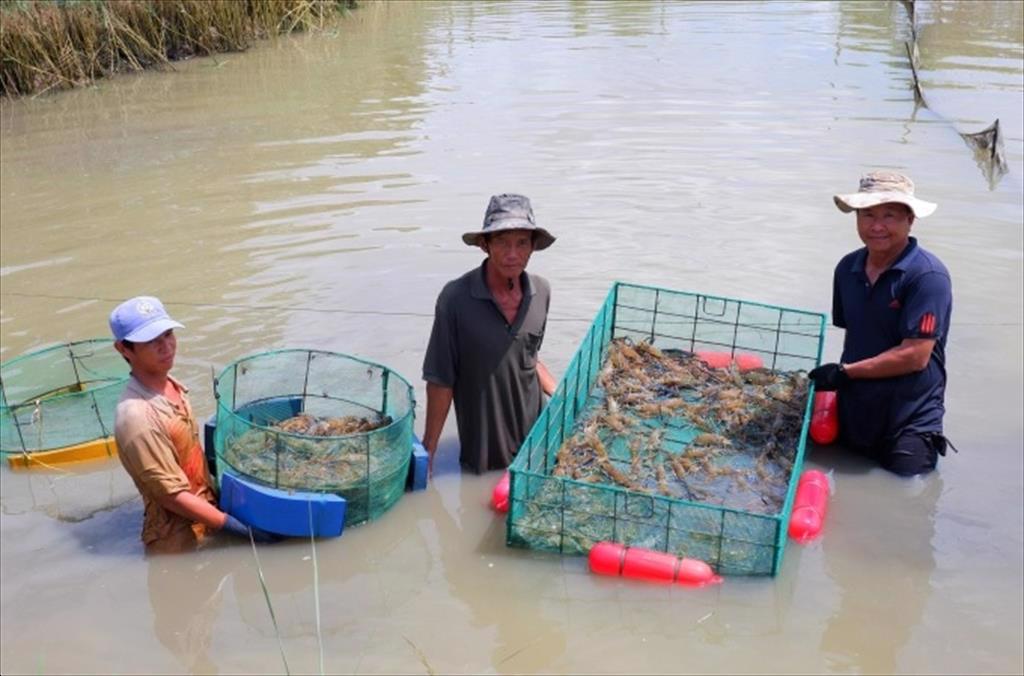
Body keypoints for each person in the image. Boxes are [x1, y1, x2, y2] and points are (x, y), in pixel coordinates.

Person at [809, 171, 954, 476]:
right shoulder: (847, 267)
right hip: (857, 409)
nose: (876, 226)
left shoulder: (927, 276)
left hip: (910, 418)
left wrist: (843, 373)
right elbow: (855, 333)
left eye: (889, 216)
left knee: (907, 494)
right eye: (867, 215)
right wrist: (836, 385)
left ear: (910, 220)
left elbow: (915, 356)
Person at [109, 295, 274, 553]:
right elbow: (171, 497)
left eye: (167, 335)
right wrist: (240, 529)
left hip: (207, 519)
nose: (166, 347)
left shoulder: (169, 385)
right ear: (123, 349)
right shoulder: (137, 417)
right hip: (179, 542)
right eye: (151, 341)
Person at [422, 194, 558, 474]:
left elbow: (529, 354)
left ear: (533, 247)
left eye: (522, 243)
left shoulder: (541, 291)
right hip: (482, 453)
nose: (512, 254)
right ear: (485, 245)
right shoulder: (455, 298)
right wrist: (429, 450)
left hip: (536, 444)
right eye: (502, 242)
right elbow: (440, 379)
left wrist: (560, 394)